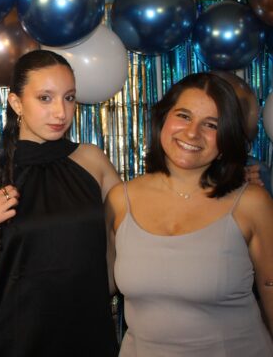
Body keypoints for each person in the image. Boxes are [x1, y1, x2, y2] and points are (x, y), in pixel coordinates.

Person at [0, 49, 121, 356]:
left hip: (89, 336)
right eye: (45, 98)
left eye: (69, 98)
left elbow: (125, 237)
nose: (61, 112)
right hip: (20, 341)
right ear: (16, 103)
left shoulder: (92, 161)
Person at [106, 72, 273, 356]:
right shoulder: (120, 199)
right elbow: (99, 283)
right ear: (163, 119)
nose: (193, 132)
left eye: (211, 124)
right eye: (184, 116)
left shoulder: (251, 202)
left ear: (227, 138)